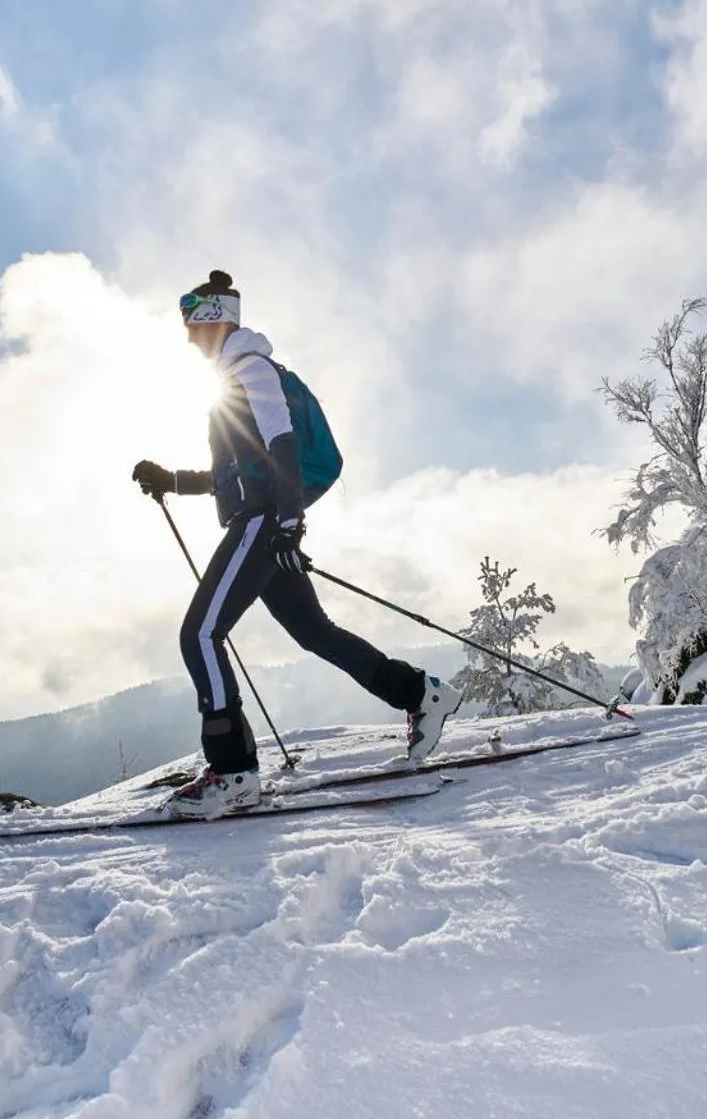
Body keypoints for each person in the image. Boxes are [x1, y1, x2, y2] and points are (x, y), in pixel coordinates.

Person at [133, 270, 462, 819]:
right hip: (264, 519)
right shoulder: (237, 377)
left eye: (192, 323)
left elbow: (282, 441)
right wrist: (172, 480)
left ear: (215, 320)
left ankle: (233, 771)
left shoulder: (249, 369)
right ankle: (419, 694)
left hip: (263, 523)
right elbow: (231, 474)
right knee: (315, 633)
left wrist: (288, 523)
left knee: (200, 634)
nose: (188, 336)